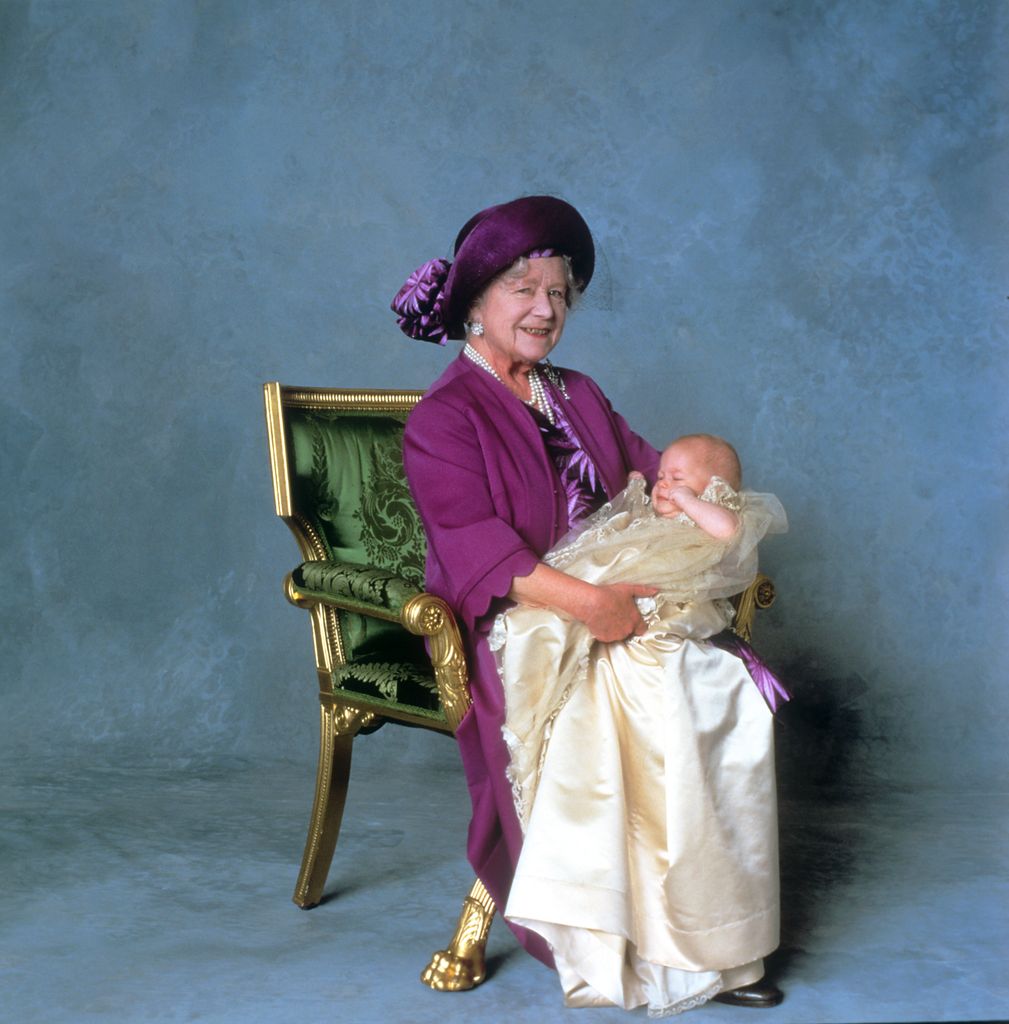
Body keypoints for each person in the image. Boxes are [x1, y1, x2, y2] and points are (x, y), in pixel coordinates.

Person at [393, 195, 785, 1014]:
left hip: (618, 593)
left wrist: (708, 511)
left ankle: (713, 942)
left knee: (714, 691)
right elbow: (476, 549)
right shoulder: (443, 417)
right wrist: (590, 605)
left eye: (560, 295)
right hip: (526, 615)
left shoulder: (576, 392)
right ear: (474, 302)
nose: (544, 310)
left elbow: (656, 476)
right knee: (651, 699)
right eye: (522, 290)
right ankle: (648, 956)